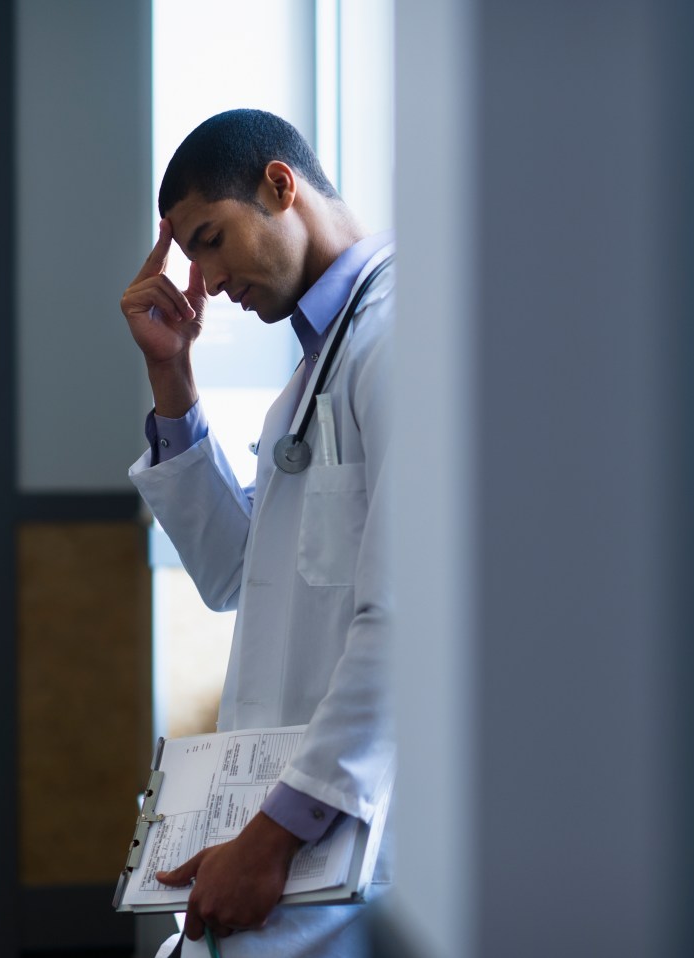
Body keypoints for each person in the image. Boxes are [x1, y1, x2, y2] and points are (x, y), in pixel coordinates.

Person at [119, 109, 395, 958]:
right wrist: (171, 375)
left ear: (280, 186)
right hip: (296, 834)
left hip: (347, 839)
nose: (205, 278)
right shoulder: (315, 375)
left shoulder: (401, 339)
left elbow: (411, 618)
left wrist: (277, 833)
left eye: (211, 239)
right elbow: (237, 572)